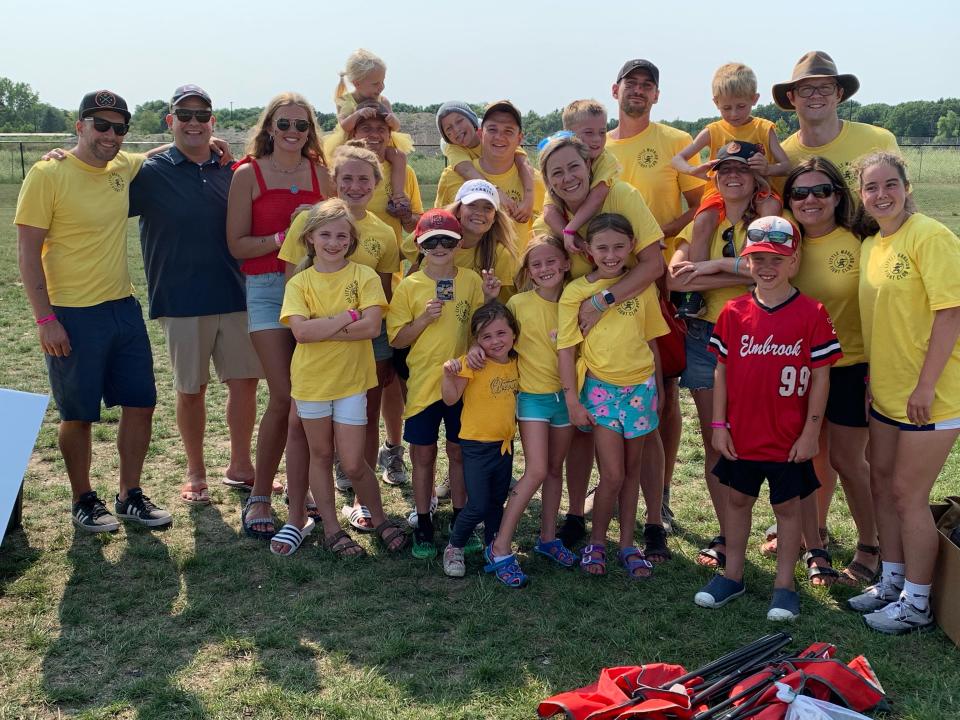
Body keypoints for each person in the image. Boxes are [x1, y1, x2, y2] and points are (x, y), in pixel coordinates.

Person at [15, 89, 171, 532]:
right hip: (71, 313)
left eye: (119, 127)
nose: (110, 134)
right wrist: (46, 319)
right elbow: (27, 252)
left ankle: (130, 495)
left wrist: (206, 143)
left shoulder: (122, 165)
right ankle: (83, 499)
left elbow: (158, 152)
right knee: (78, 413)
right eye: (100, 125)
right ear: (80, 126)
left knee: (141, 404)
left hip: (122, 307)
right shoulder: (49, 172)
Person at [695, 216, 842, 621]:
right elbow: (721, 371)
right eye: (758, 258)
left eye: (777, 259)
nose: (767, 267)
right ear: (747, 262)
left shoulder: (811, 312)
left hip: (789, 436)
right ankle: (733, 575)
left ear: (794, 262)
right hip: (742, 434)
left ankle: (784, 585)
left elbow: (821, 375)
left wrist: (812, 430)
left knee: (789, 509)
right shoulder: (733, 312)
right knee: (738, 499)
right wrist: (719, 425)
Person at [533, 134, 668, 560]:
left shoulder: (622, 195)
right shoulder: (553, 214)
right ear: (548, 182)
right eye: (557, 172)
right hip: (584, 351)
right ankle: (578, 517)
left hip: (627, 331)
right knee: (582, 437)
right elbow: (540, 261)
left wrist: (603, 300)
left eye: (575, 166)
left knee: (643, 441)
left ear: (590, 166)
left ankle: (651, 522)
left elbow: (653, 264)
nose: (569, 176)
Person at [129, 84, 262, 506]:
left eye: (201, 116)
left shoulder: (233, 169)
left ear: (212, 122)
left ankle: (241, 466)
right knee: (191, 390)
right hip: (182, 299)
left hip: (237, 294)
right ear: (170, 122)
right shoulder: (148, 173)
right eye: (184, 116)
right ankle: (195, 472)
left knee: (244, 385)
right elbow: (100, 170)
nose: (193, 123)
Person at [849, 152, 960, 634]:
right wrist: (878, 380)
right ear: (861, 195)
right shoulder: (874, 243)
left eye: (890, 184)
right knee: (881, 485)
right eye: (871, 187)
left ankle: (917, 602)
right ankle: (892, 581)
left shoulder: (930, 236)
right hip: (888, 394)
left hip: (930, 395)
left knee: (908, 495)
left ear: (907, 186)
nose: (882, 195)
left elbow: (951, 313)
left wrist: (926, 384)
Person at [278, 143, 404, 529]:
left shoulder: (383, 232)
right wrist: (338, 323)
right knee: (303, 429)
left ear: (377, 183)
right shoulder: (310, 220)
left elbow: (376, 312)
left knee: (363, 420)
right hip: (313, 354)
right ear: (335, 179)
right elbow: (294, 287)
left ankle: (363, 501)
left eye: (364, 179)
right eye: (346, 177)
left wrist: (327, 328)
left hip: (360, 349)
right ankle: (300, 509)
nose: (354, 185)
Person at [226, 92, 333, 539]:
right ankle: (260, 495)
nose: (292, 133)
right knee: (285, 395)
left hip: (315, 290)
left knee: (311, 396)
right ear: (269, 127)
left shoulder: (320, 174)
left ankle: (302, 488)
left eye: (301, 125)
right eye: (284, 124)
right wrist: (283, 234)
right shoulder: (247, 174)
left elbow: (336, 231)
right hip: (269, 290)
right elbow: (237, 245)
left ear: (311, 130)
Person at [607, 58, 706, 533]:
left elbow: (701, 204)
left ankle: (660, 492)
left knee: (663, 389)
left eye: (648, 85)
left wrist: (654, 238)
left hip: (660, 281)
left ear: (656, 96)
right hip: (608, 281)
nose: (639, 91)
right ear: (616, 90)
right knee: (611, 383)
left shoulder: (674, 142)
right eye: (632, 83)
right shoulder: (598, 147)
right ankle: (616, 480)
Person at [785, 157, 879, 586]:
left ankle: (870, 546)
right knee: (809, 454)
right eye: (800, 192)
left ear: (838, 195)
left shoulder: (861, 241)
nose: (810, 200)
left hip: (849, 364)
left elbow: (880, 307)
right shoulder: (786, 242)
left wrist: (877, 370)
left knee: (846, 459)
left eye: (821, 190)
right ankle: (815, 538)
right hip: (799, 370)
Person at [559, 213, 668, 579]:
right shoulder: (575, 293)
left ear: (632, 247)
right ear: (588, 250)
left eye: (619, 246)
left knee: (633, 470)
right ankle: (597, 541)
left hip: (641, 389)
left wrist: (661, 388)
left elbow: (652, 341)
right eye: (602, 247)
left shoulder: (641, 285)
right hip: (602, 391)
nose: (611, 254)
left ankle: (626, 544)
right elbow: (566, 349)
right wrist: (572, 399)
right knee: (613, 475)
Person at [387, 209, 500, 559]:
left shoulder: (469, 280)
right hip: (423, 385)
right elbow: (397, 340)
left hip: (463, 383)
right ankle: (423, 521)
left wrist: (492, 297)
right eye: (431, 241)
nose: (439, 247)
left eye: (447, 241)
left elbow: (483, 327)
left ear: (459, 243)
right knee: (423, 454)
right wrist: (424, 318)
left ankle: (460, 522)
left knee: (458, 453)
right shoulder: (409, 286)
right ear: (419, 245)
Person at [486, 235, 577, 587]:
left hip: (567, 399)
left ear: (566, 263)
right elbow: (495, 338)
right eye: (536, 264)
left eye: (551, 261)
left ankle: (548, 537)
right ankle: (500, 546)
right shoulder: (518, 305)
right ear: (528, 271)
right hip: (532, 399)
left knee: (555, 469)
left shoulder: (575, 300)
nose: (544, 269)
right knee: (537, 469)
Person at [671, 63, 790, 320]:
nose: (734, 114)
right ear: (715, 103)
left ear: (754, 100)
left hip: (758, 185)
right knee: (702, 221)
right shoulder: (713, 130)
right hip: (719, 190)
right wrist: (695, 170)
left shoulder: (764, 128)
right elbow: (678, 160)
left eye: (741, 106)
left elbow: (787, 165)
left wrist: (768, 168)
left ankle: (753, 267)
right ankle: (696, 293)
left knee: (769, 209)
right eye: (726, 108)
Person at [440, 303, 520, 579]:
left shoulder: (516, 362)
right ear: (476, 340)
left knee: (497, 500)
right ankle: (455, 546)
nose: (495, 341)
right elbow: (451, 399)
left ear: (513, 333)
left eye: (501, 333)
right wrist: (448, 375)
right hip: (475, 445)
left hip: (505, 445)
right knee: (478, 504)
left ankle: (493, 545)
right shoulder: (473, 363)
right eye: (486, 337)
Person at [772, 51, 899, 190]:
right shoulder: (781, 159)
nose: (816, 95)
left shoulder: (879, 140)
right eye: (806, 89)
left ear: (839, 94)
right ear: (791, 97)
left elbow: (905, 206)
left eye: (825, 88)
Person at [434, 101, 544, 253]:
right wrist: (496, 193)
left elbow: (522, 160)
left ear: (519, 139)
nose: (499, 137)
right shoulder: (453, 164)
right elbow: (439, 224)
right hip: (471, 273)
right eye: (492, 129)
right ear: (481, 133)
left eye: (508, 131)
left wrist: (529, 196)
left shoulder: (533, 178)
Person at [324, 48, 412, 209]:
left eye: (383, 81)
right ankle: (336, 201)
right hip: (350, 145)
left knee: (399, 156)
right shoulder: (345, 101)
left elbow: (396, 128)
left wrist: (392, 120)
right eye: (376, 83)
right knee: (337, 165)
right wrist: (358, 114)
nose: (381, 87)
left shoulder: (383, 101)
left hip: (379, 144)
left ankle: (397, 193)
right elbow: (345, 126)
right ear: (357, 83)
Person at [541, 100, 620, 246]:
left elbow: (597, 196)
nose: (597, 139)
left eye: (602, 132)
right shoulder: (559, 162)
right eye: (589, 133)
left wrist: (571, 228)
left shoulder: (606, 159)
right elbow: (549, 212)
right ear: (569, 135)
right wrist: (575, 239)